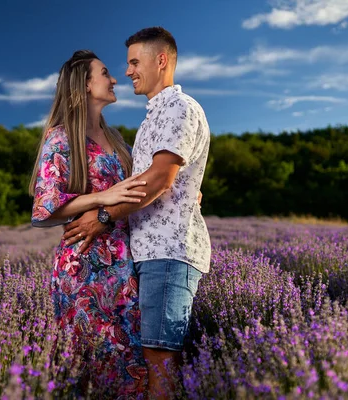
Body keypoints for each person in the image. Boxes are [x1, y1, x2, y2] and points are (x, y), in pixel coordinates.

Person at [63, 27, 212, 399]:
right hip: (148, 255)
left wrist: (102, 217)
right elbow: (162, 181)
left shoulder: (178, 108)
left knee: (159, 359)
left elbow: (160, 178)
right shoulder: (151, 119)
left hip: (168, 253)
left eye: (134, 62)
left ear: (160, 60)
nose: (126, 71)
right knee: (149, 360)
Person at [29, 50, 148, 398]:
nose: (114, 79)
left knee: (130, 362)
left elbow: (139, 192)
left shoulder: (117, 139)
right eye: (106, 73)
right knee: (87, 366)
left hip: (125, 267)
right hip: (83, 270)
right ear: (83, 85)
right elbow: (44, 209)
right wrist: (102, 198)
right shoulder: (61, 137)